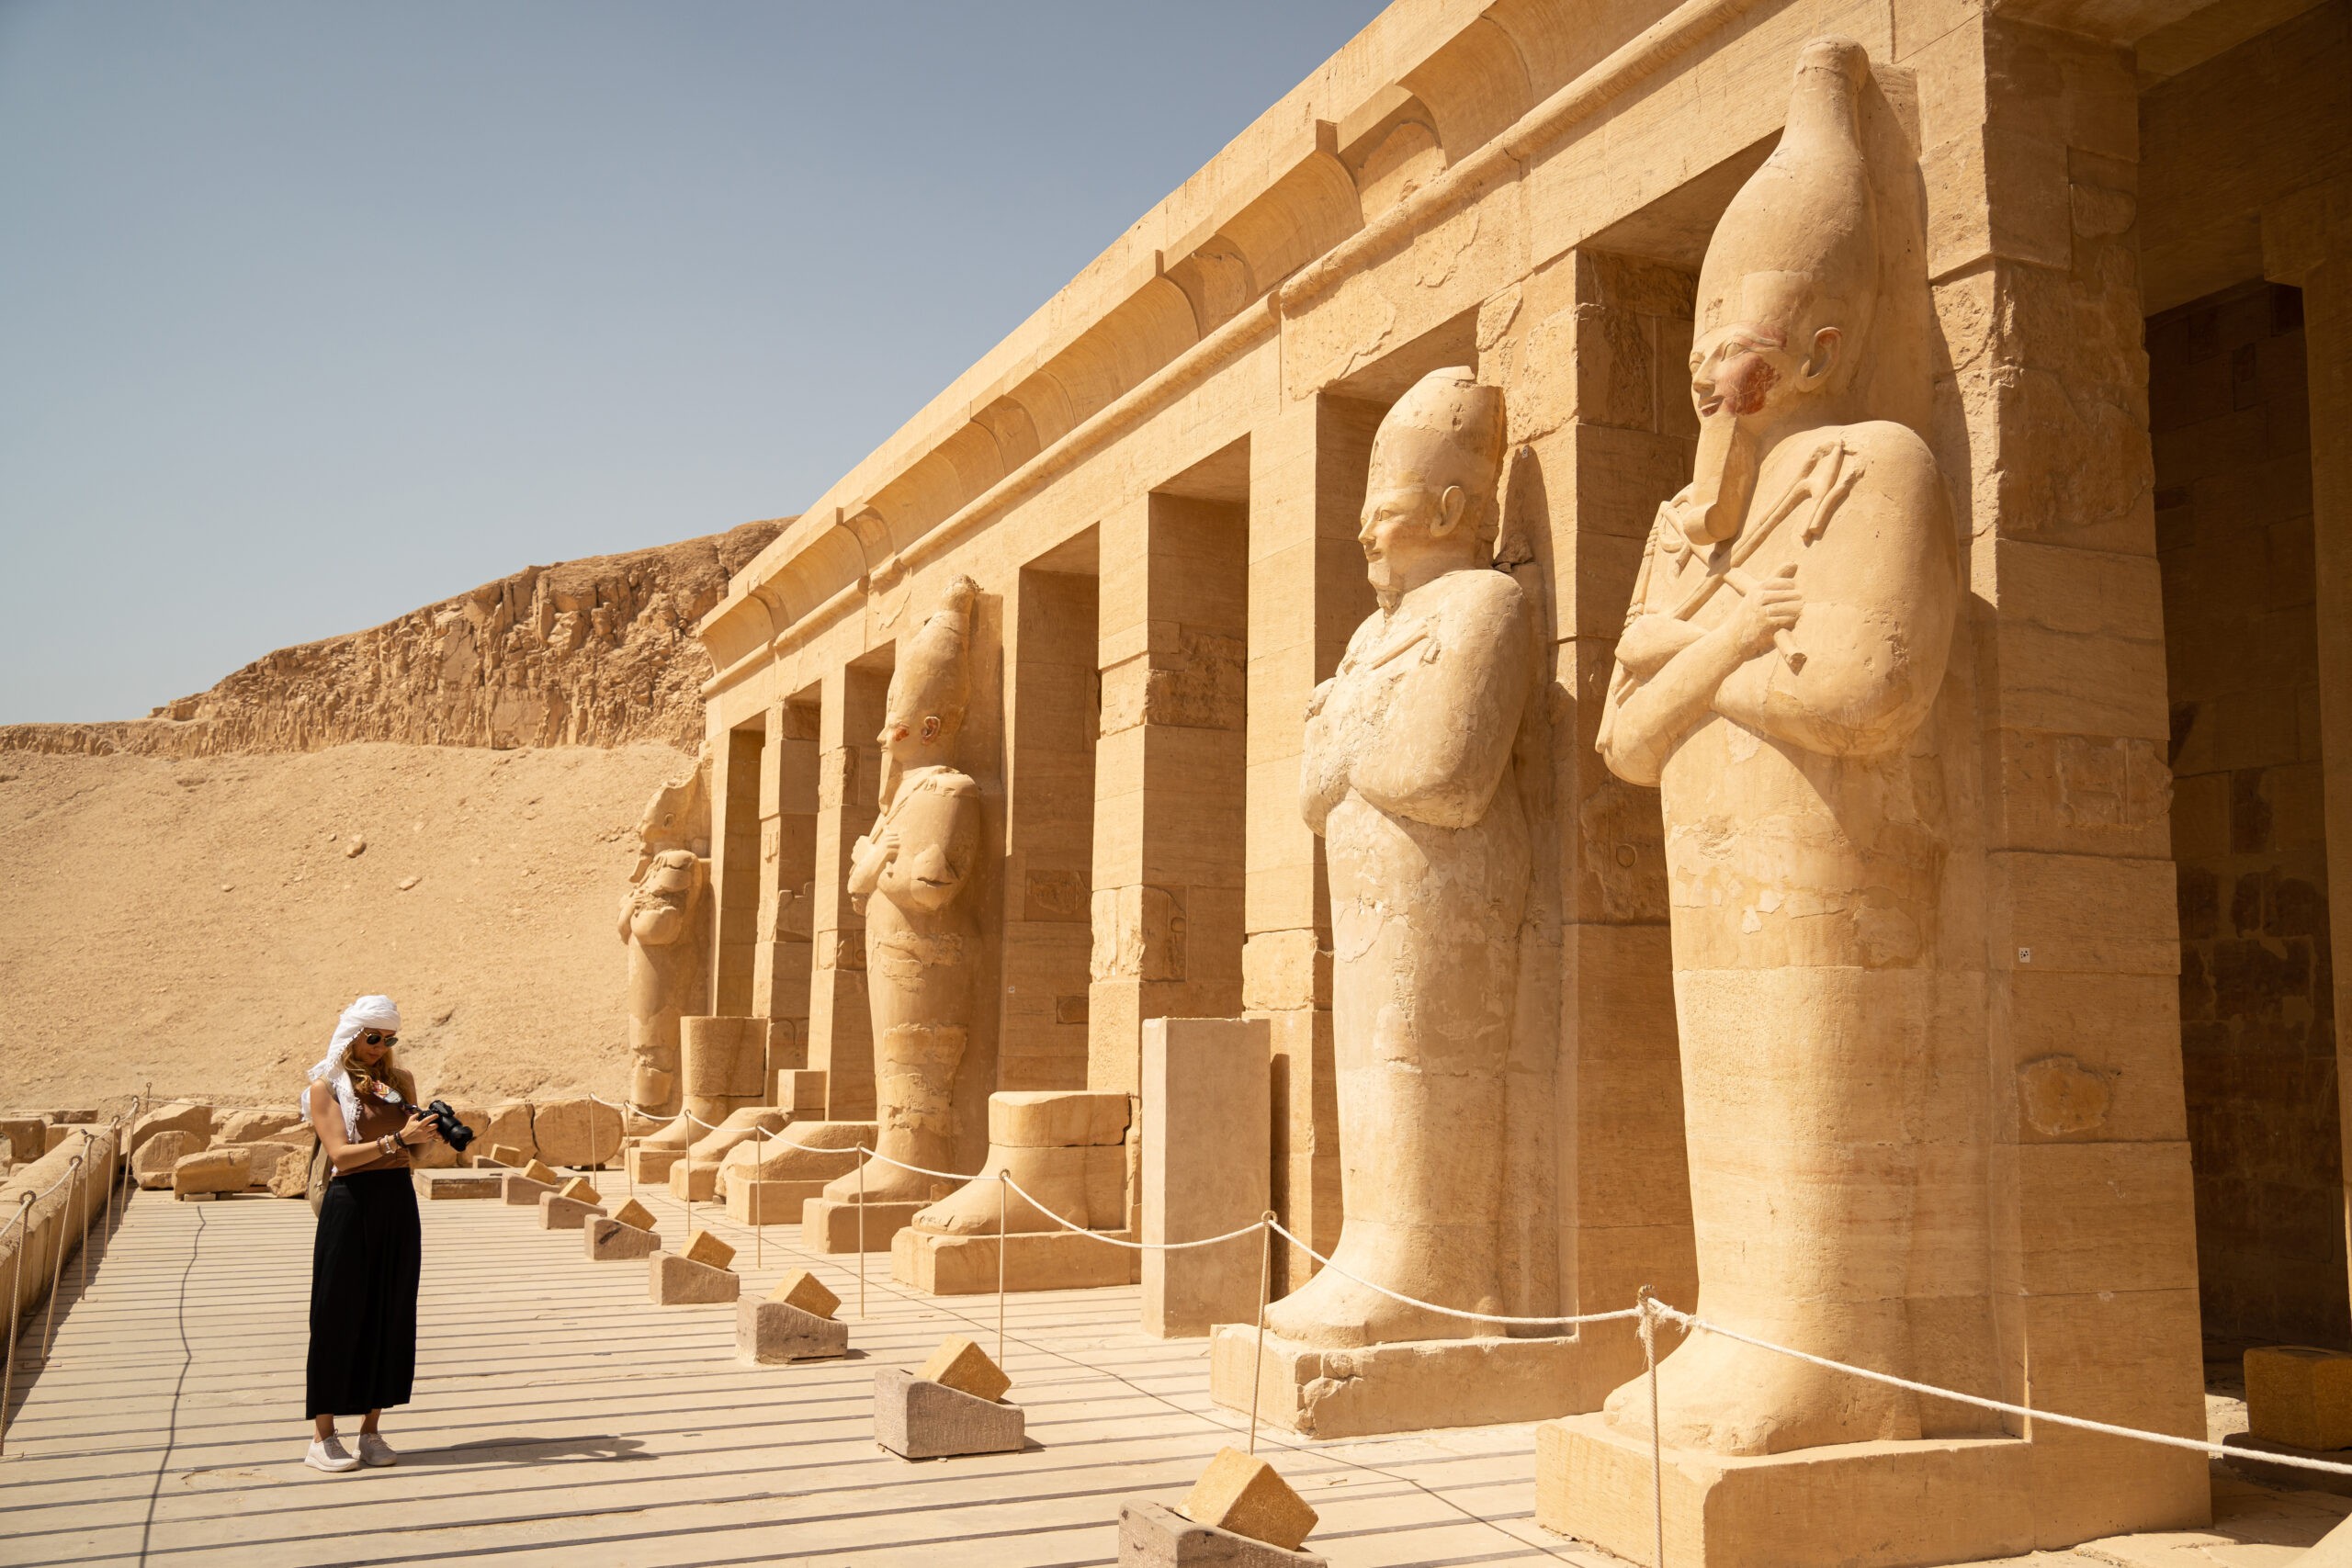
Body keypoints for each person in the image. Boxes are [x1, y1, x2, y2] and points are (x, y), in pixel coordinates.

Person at [300, 995, 441, 1473]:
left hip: (397, 1201)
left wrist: (429, 1136)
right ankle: (322, 1437)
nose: (380, 1046)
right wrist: (398, 1138)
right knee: (337, 1316)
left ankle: (371, 1430)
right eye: (373, 1037)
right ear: (351, 1036)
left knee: (391, 1313)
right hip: (350, 1204)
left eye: (389, 1039)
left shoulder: (400, 1084)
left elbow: (415, 1157)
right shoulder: (326, 1087)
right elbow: (341, 1155)